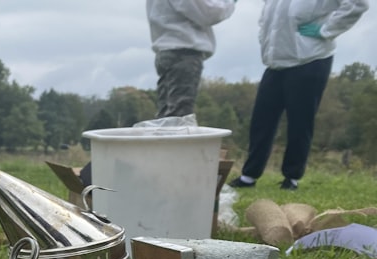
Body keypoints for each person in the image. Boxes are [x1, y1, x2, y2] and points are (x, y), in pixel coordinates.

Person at [230, 0, 368, 190]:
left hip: (310, 59)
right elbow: (267, 17)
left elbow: (357, 4)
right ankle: (249, 176)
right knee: (261, 121)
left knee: (300, 122)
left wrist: (325, 30)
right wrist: (265, 38)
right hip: (276, 62)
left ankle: (292, 178)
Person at [147, 0, 236, 118]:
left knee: (167, 116)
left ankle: (167, 135)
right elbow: (208, 12)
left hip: (165, 51)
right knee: (179, 116)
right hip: (183, 53)